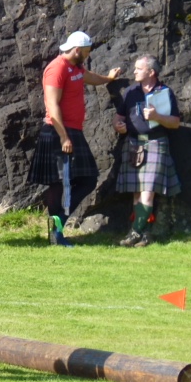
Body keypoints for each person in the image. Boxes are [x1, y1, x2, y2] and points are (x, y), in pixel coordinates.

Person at [27, 31, 121, 247]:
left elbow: (89, 77)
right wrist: (63, 137)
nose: (87, 55)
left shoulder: (75, 67)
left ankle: (57, 224)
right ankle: (57, 231)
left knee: (86, 180)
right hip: (57, 132)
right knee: (58, 182)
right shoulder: (57, 68)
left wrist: (108, 78)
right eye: (86, 51)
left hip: (72, 132)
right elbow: (52, 105)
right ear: (77, 49)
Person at [112, 54, 180, 247]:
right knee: (136, 193)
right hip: (133, 144)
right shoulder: (131, 92)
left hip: (156, 143)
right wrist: (118, 125)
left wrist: (157, 116)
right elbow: (118, 117)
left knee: (147, 192)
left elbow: (175, 123)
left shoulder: (164, 93)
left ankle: (135, 232)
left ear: (151, 72)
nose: (134, 71)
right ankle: (145, 234)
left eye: (138, 69)